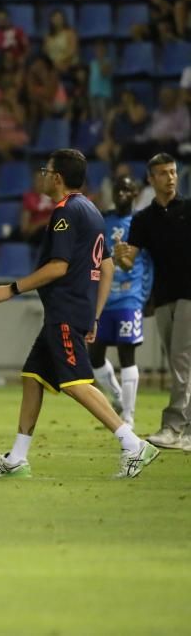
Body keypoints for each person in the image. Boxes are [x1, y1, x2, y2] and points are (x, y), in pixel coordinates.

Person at [0, 149, 159, 478]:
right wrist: (93, 314)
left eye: (46, 171)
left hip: (64, 310)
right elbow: (106, 267)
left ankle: (132, 443)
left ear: (58, 178)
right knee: (33, 376)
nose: (43, 176)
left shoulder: (64, 212)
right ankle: (18, 458)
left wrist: (12, 288)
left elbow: (58, 267)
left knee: (76, 383)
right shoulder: (92, 211)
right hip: (73, 311)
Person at [114, 154, 191, 450]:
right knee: (180, 362)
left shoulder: (189, 209)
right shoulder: (143, 219)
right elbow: (128, 261)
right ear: (151, 179)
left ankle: (172, 427)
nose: (170, 177)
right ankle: (185, 430)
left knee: (181, 362)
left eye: (172, 172)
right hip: (162, 297)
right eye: (163, 173)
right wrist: (121, 256)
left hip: (188, 295)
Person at [89, 175, 152, 427]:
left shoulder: (141, 224)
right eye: (119, 189)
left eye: (128, 189)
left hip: (129, 297)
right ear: (113, 193)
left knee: (127, 354)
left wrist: (147, 297)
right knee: (94, 356)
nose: (123, 193)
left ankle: (128, 416)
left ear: (136, 193)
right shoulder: (103, 221)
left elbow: (147, 263)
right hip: (104, 298)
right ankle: (117, 396)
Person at [20, 171, 55, 244]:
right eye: (38, 180)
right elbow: (25, 226)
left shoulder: (56, 197)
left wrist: (39, 224)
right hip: (36, 233)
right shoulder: (29, 197)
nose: (41, 183)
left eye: (43, 180)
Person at [43, 9, 79, 75]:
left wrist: (60, 61)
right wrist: (53, 62)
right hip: (52, 64)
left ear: (63, 19)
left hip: (67, 63)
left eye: (59, 18)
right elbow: (46, 52)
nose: (57, 20)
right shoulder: (47, 36)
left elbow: (72, 51)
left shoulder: (70, 33)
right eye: (55, 18)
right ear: (51, 20)